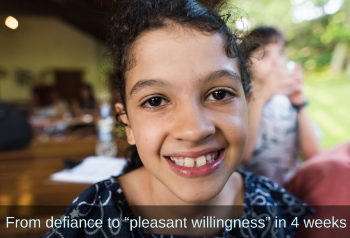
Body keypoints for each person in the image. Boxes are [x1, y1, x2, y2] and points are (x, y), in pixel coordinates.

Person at [44, 1, 312, 237]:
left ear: (247, 106)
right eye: (155, 101)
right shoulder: (90, 219)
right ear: (128, 124)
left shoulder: (272, 209)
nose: (194, 130)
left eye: (219, 94)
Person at [240, 27, 320, 185]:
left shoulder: (288, 101)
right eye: (264, 54)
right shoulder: (241, 99)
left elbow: (313, 155)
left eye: (281, 52)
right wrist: (262, 96)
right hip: (254, 192)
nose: (276, 61)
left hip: (290, 190)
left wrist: (299, 103)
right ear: (246, 64)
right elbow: (243, 154)